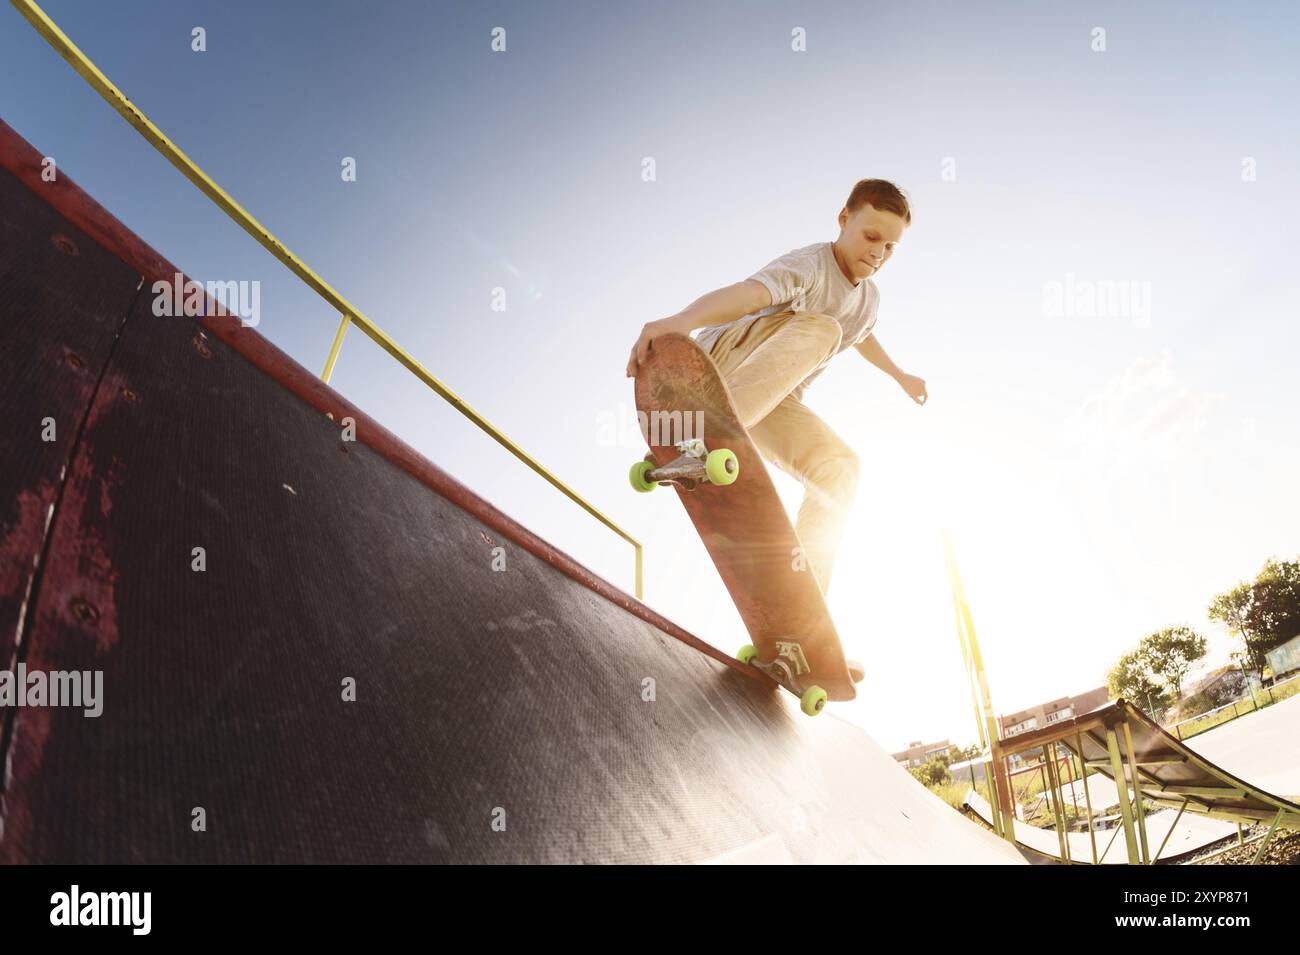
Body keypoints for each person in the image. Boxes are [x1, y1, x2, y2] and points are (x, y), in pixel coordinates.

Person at [626, 179, 927, 596]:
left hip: (758, 404)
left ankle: (803, 601)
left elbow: (864, 337)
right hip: (719, 369)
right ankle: (699, 437)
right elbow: (750, 295)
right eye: (871, 236)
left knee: (840, 467)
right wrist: (684, 320)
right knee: (824, 330)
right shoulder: (811, 264)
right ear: (843, 220)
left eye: (890, 247)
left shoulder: (869, 301)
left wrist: (900, 375)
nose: (878, 253)